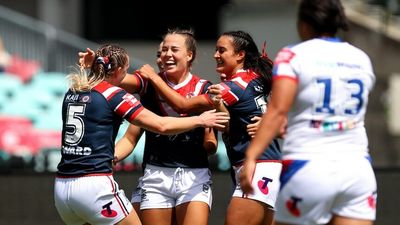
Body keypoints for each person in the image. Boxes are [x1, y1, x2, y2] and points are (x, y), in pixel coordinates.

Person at [55, 44, 229, 225]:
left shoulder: (73, 91)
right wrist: (200, 120)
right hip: (93, 185)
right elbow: (161, 125)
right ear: (120, 70)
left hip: (62, 189)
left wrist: (94, 68)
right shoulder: (113, 94)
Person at [240, 0, 378, 225]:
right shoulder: (361, 58)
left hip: (309, 165)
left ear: (304, 24)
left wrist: (252, 156)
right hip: (357, 169)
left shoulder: (293, 55)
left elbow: (277, 110)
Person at [137, 30, 282, 225]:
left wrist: (154, 78)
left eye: (222, 50)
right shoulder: (255, 77)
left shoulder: (232, 87)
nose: (216, 55)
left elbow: (182, 105)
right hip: (264, 166)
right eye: (216, 50)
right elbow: (228, 124)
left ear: (240, 55)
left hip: (257, 167)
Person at [113, 28, 218, 225]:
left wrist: (211, 138)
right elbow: (130, 137)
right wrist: (103, 65)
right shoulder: (147, 84)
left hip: (194, 175)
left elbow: (209, 140)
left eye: (174, 49)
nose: (167, 54)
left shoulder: (204, 88)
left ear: (189, 55)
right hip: (156, 175)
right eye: (164, 50)